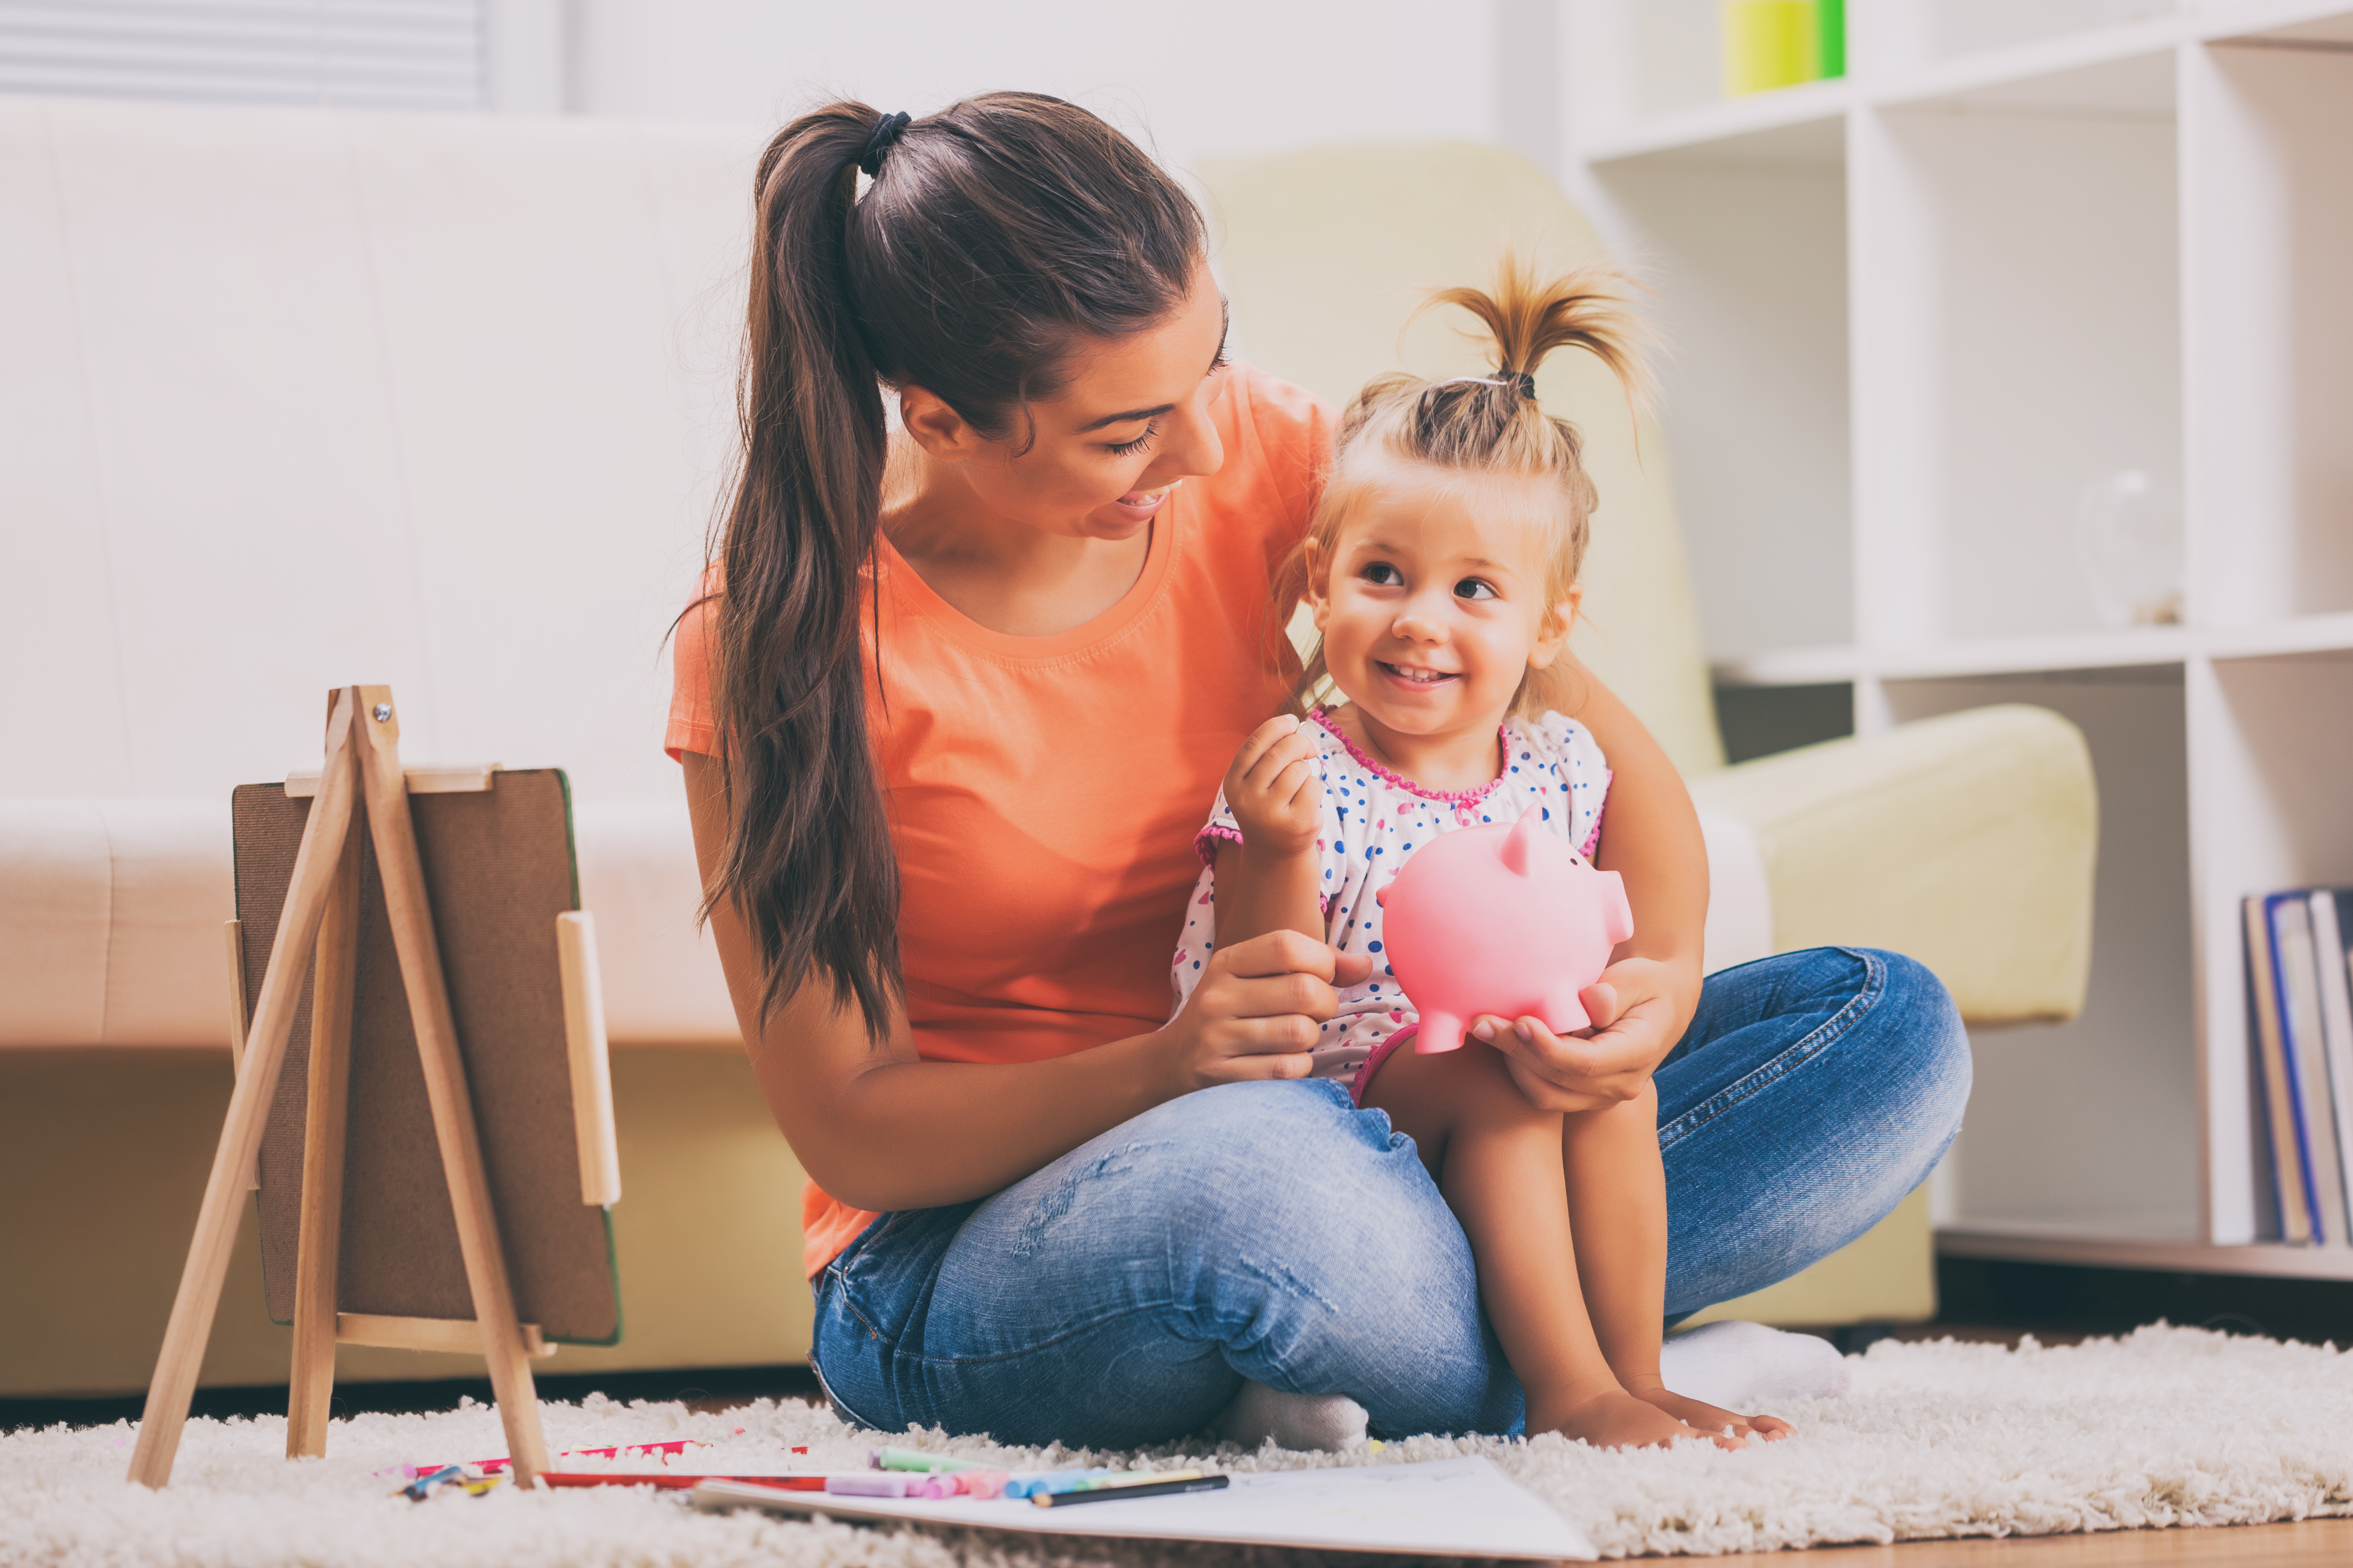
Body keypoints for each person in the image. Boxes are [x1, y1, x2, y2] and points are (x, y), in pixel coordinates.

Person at [668, 92, 1971, 1449]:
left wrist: (1659, 984)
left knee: (1881, 1028)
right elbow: (857, 1131)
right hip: (987, 1248)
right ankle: (1580, 1360)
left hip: (1389, 1121)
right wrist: (1172, 1066)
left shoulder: (1263, 456)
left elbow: (1558, 711)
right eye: (1126, 434)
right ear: (941, 423)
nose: (1202, 448)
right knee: (1263, 1184)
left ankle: (1472, 1360)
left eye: (1209, 369)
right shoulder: (782, 647)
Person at [1173, 257, 1789, 1449]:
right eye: (1382, 576)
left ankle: (1635, 1371)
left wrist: (1620, 1013)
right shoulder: (1300, 767)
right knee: (1511, 1090)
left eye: (1472, 591)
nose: (1419, 620)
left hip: (1501, 1057)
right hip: (1333, 1096)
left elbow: (1603, 925)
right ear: (1319, 581)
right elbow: (1269, 1004)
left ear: (1544, 625)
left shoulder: (1556, 763)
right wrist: (1281, 841)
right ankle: (1567, 1395)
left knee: (1604, 1087)